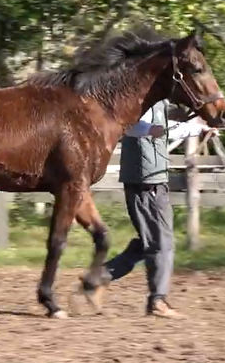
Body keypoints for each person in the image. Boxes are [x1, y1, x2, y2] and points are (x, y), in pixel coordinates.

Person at [81, 99, 216, 318]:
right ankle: (157, 300)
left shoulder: (157, 101)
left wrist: (199, 127)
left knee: (151, 241)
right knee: (161, 241)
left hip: (151, 178)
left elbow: (162, 128)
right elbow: (135, 127)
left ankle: (99, 277)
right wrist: (167, 129)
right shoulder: (141, 101)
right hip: (146, 179)